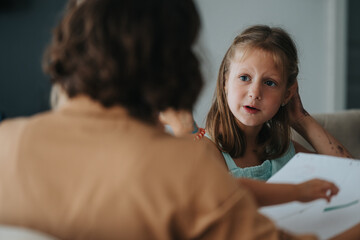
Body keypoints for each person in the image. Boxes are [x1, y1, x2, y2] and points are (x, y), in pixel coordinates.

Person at [0, 1, 359, 239]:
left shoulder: (6, 143)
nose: (254, 92)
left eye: (270, 83)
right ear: (177, 65)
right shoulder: (185, 168)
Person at [160, 25, 353, 205]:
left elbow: (351, 177)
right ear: (226, 81)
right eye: (244, 78)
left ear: (287, 94)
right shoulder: (209, 149)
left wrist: (301, 118)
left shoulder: (283, 150)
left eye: (269, 83)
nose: (255, 93)